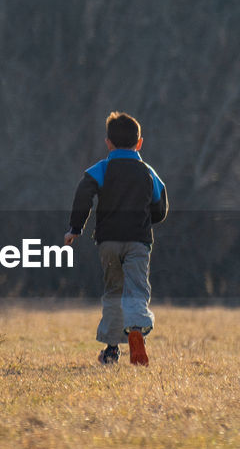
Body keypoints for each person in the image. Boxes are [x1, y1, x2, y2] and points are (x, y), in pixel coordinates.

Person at [65, 112, 169, 366]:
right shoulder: (148, 172)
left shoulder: (100, 169)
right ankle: (136, 330)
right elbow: (161, 208)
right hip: (138, 241)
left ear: (108, 143)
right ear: (139, 143)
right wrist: (146, 221)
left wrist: (75, 228)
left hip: (108, 242)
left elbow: (83, 195)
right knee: (136, 289)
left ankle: (112, 351)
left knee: (114, 291)